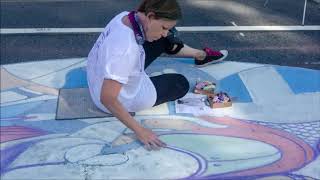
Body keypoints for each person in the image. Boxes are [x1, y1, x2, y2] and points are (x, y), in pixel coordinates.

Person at [87, 0, 228, 151]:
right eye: (164, 27)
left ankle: (201, 55)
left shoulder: (125, 17)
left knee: (163, 40)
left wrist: (163, 32)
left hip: (94, 76)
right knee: (180, 83)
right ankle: (201, 56)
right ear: (150, 16)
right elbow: (107, 98)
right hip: (115, 99)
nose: (165, 32)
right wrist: (140, 131)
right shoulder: (125, 50)